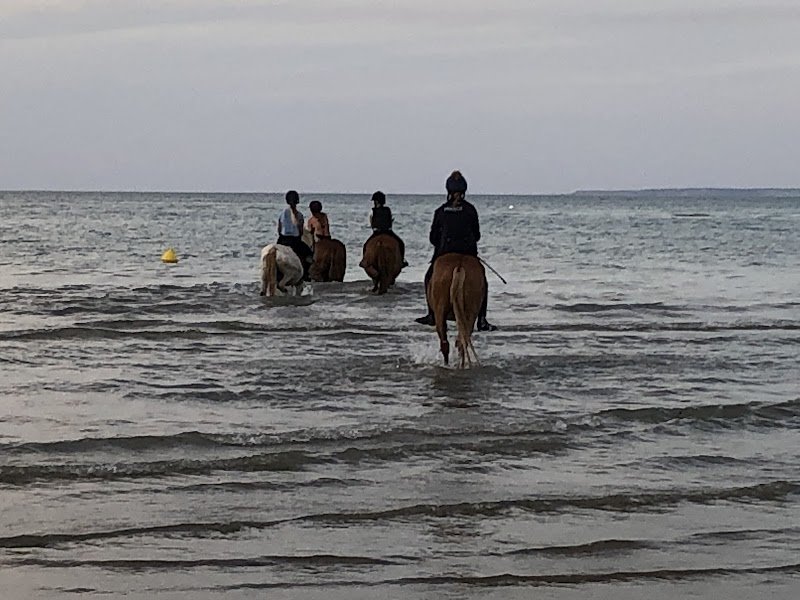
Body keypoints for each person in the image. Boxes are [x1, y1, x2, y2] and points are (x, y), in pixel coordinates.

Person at [414, 170, 496, 331]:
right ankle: (482, 319)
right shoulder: (471, 210)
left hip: (445, 252)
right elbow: (477, 235)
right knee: (483, 281)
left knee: (428, 276)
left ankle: (431, 314)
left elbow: (433, 238)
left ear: (448, 190)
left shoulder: (440, 211)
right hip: (468, 253)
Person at [362, 191, 407, 267]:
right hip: (388, 232)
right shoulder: (388, 210)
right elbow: (390, 220)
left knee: (366, 245)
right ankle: (402, 260)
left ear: (376, 201)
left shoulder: (372, 211)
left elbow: (371, 222)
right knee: (401, 244)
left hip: (377, 232)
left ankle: (364, 261)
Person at [277, 190, 313, 279]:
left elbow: (279, 229)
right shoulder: (299, 215)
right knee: (309, 255)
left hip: (282, 240)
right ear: (297, 201)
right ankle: (306, 274)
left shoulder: (282, 214)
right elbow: (300, 231)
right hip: (294, 241)